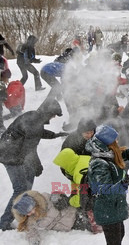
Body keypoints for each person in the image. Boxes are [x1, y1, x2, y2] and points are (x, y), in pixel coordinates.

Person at [0, 99, 67, 231]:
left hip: (12, 153)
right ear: (48, 112)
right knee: (20, 189)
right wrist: (37, 165)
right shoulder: (35, 121)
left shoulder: (33, 116)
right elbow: (30, 149)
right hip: (11, 157)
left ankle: (24, 210)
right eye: (53, 115)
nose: (53, 118)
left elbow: (35, 133)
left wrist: (55, 135)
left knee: (27, 185)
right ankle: (4, 222)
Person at [11, 190, 78, 244]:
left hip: (76, 214)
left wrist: (60, 197)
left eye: (32, 209)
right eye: (28, 213)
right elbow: (31, 232)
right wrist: (34, 242)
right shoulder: (28, 220)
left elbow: (59, 195)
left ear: (34, 203)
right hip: (72, 226)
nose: (31, 213)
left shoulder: (45, 199)